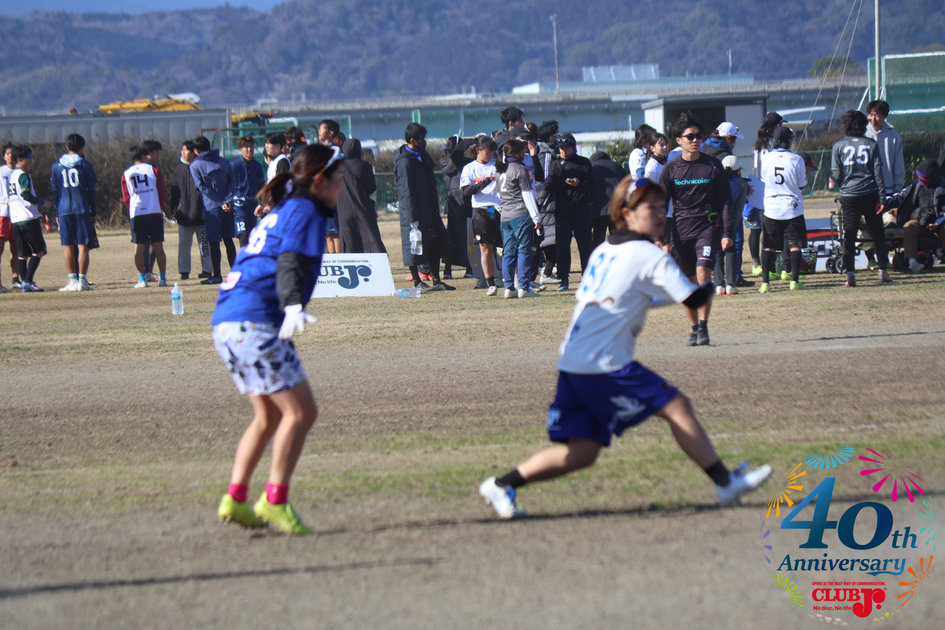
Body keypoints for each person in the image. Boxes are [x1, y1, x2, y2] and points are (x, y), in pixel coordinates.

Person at [478, 180, 772, 519]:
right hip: (603, 363)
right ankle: (725, 482)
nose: (660, 213)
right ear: (627, 213)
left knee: (582, 453)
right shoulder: (649, 255)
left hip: (573, 360)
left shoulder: (604, 250)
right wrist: (709, 284)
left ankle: (501, 485)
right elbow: (692, 298)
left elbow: (622, 297)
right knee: (677, 407)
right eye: (650, 207)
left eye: (662, 206)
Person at [213, 144, 342, 536]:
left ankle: (235, 498)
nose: (341, 187)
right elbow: (289, 260)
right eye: (338, 180)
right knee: (301, 414)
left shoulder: (285, 209)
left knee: (269, 416)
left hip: (228, 321)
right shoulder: (305, 210)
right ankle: (275, 500)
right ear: (318, 181)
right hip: (255, 321)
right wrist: (292, 305)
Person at [659, 112, 733, 346]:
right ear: (678, 140)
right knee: (687, 283)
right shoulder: (670, 169)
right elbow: (661, 206)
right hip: (680, 232)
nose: (695, 140)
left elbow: (726, 201)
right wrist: (661, 239)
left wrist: (727, 233)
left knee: (703, 273)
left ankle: (704, 325)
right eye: (690, 136)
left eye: (698, 136)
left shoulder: (713, 166)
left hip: (706, 228)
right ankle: (693, 329)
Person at [831, 109, 889, 287]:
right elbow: (878, 172)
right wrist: (881, 197)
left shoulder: (839, 146)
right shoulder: (871, 144)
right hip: (870, 193)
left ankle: (850, 274)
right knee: (877, 232)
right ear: (864, 125)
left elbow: (836, 173)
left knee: (849, 234)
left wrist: (843, 185)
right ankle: (883, 271)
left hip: (849, 195)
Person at [394, 122, 453, 292]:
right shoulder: (404, 161)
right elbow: (406, 191)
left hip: (430, 209)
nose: (424, 142)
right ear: (412, 140)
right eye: (421, 139)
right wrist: (412, 217)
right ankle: (417, 281)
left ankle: (436, 279)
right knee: (414, 245)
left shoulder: (423, 156)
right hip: (414, 212)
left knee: (435, 242)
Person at [757, 126, 809, 293]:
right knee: (795, 244)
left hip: (771, 207)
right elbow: (802, 184)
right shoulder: (796, 159)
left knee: (768, 246)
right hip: (792, 207)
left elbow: (763, 179)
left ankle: (765, 283)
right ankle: (794, 281)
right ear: (789, 141)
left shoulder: (766, 158)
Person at [544, 133, 593, 291]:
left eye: (566, 148)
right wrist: (564, 183)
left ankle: (588, 276)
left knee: (585, 245)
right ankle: (563, 278)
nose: (563, 151)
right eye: (561, 148)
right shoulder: (555, 164)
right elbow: (549, 186)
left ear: (573, 147)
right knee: (562, 247)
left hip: (582, 210)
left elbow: (592, 185)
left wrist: (579, 183)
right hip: (562, 211)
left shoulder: (584, 162)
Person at [49, 133, 97, 291]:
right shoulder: (85, 165)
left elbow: (55, 191)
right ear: (82, 148)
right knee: (83, 246)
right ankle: (82, 281)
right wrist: (93, 212)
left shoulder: (56, 166)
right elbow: (91, 191)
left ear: (67, 147)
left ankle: (72, 281)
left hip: (64, 210)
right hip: (81, 209)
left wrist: (57, 211)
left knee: (67, 246)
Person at [497, 140, 542, 298]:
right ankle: (524, 287)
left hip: (505, 216)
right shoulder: (520, 169)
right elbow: (527, 195)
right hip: (520, 214)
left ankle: (509, 287)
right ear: (519, 153)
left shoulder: (500, 171)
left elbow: (498, 195)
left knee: (508, 252)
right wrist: (536, 217)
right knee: (524, 250)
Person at [885, 159, 945, 273]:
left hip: (939, 222)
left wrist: (938, 222)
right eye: (918, 178)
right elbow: (899, 197)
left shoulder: (942, 187)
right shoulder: (915, 186)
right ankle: (912, 262)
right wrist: (882, 202)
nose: (920, 181)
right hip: (921, 220)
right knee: (909, 226)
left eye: (923, 179)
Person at [190, 135, 236, 285]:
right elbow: (232, 182)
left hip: (211, 207)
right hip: (227, 206)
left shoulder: (195, 165)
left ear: (196, 150)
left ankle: (217, 275)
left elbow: (201, 187)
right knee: (229, 240)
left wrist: (218, 202)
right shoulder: (224, 161)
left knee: (214, 241)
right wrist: (227, 201)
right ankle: (236, 273)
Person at [121, 144, 168, 288]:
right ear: (144, 156)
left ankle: (142, 280)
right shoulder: (154, 170)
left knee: (138, 248)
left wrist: (131, 210)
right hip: (154, 211)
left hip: (137, 213)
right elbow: (162, 192)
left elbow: (126, 197)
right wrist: (159, 206)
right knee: (158, 246)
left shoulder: (126, 174)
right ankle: (163, 279)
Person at [461, 135, 502, 295]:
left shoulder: (497, 164)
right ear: (478, 150)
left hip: (499, 208)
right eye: (488, 151)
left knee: (504, 247)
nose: (491, 154)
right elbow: (466, 191)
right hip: (480, 210)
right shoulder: (469, 168)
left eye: (493, 151)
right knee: (485, 248)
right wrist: (485, 181)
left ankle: (507, 279)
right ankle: (490, 282)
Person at [8, 145, 52, 292]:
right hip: (27, 217)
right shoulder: (23, 175)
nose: (32, 159)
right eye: (29, 157)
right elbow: (26, 195)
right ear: (20, 159)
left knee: (23, 254)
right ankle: (27, 281)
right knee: (40, 250)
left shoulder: (12, 175)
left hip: (16, 218)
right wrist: (42, 202)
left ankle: (25, 284)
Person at [169, 140, 211, 279]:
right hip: (184, 215)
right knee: (184, 245)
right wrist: (174, 211)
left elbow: (206, 191)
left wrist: (205, 210)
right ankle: (184, 271)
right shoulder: (179, 169)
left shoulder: (201, 167)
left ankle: (207, 270)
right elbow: (174, 192)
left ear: (194, 152)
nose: (183, 153)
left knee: (204, 245)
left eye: (186, 150)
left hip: (201, 215)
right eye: (182, 150)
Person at [337, 137, 386, 254]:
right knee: (370, 240)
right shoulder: (365, 166)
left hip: (344, 210)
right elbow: (371, 187)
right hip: (363, 208)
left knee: (349, 243)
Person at [439, 135, 473, 278]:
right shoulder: (446, 162)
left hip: (465, 201)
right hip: (455, 202)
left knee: (467, 235)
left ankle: (469, 267)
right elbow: (451, 167)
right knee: (452, 236)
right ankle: (448, 268)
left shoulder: (463, 162)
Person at [230, 136, 264, 248]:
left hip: (253, 207)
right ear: (240, 149)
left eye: (251, 146)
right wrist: (229, 202)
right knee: (243, 236)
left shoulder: (257, 166)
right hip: (239, 207)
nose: (249, 149)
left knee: (253, 237)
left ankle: (252, 258)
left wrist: (262, 203)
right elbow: (228, 186)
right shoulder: (234, 166)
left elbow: (261, 187)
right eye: (246, 147)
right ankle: (244, 258)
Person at [589, 150, 626, 248]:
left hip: (599, 207)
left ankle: (597, 255)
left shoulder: (591, 166)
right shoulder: (616, 166)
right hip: (617, 206)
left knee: (598, 236)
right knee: (617, 237)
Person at [0, 143, 21, 290]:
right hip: (3, 214)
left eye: (12, 153)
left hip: (17, 214)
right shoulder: (1, 171)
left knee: (16, 249)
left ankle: (15, 279)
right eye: (8, 153)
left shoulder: (20, 172)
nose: (10, 156)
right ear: (4, 156)